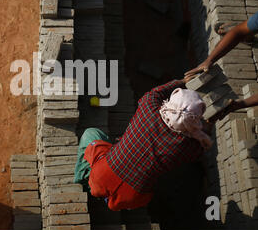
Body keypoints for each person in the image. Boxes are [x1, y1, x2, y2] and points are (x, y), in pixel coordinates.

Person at [74, 76, 213, 211]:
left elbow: (155, 93)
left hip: (101, 177)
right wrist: (210, 122)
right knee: (150, 184)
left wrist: (183, 81)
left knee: (91, 133)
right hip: (130, 197)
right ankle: (110, 200)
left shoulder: (148, 108)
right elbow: (200, 148)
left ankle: (82, 180)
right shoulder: (186, 147)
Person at [185, 0, 258, 117]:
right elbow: (238, 31)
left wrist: (242, 104)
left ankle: (250, 32)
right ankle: (250, 32)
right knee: (247, 29)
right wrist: (209, 60)